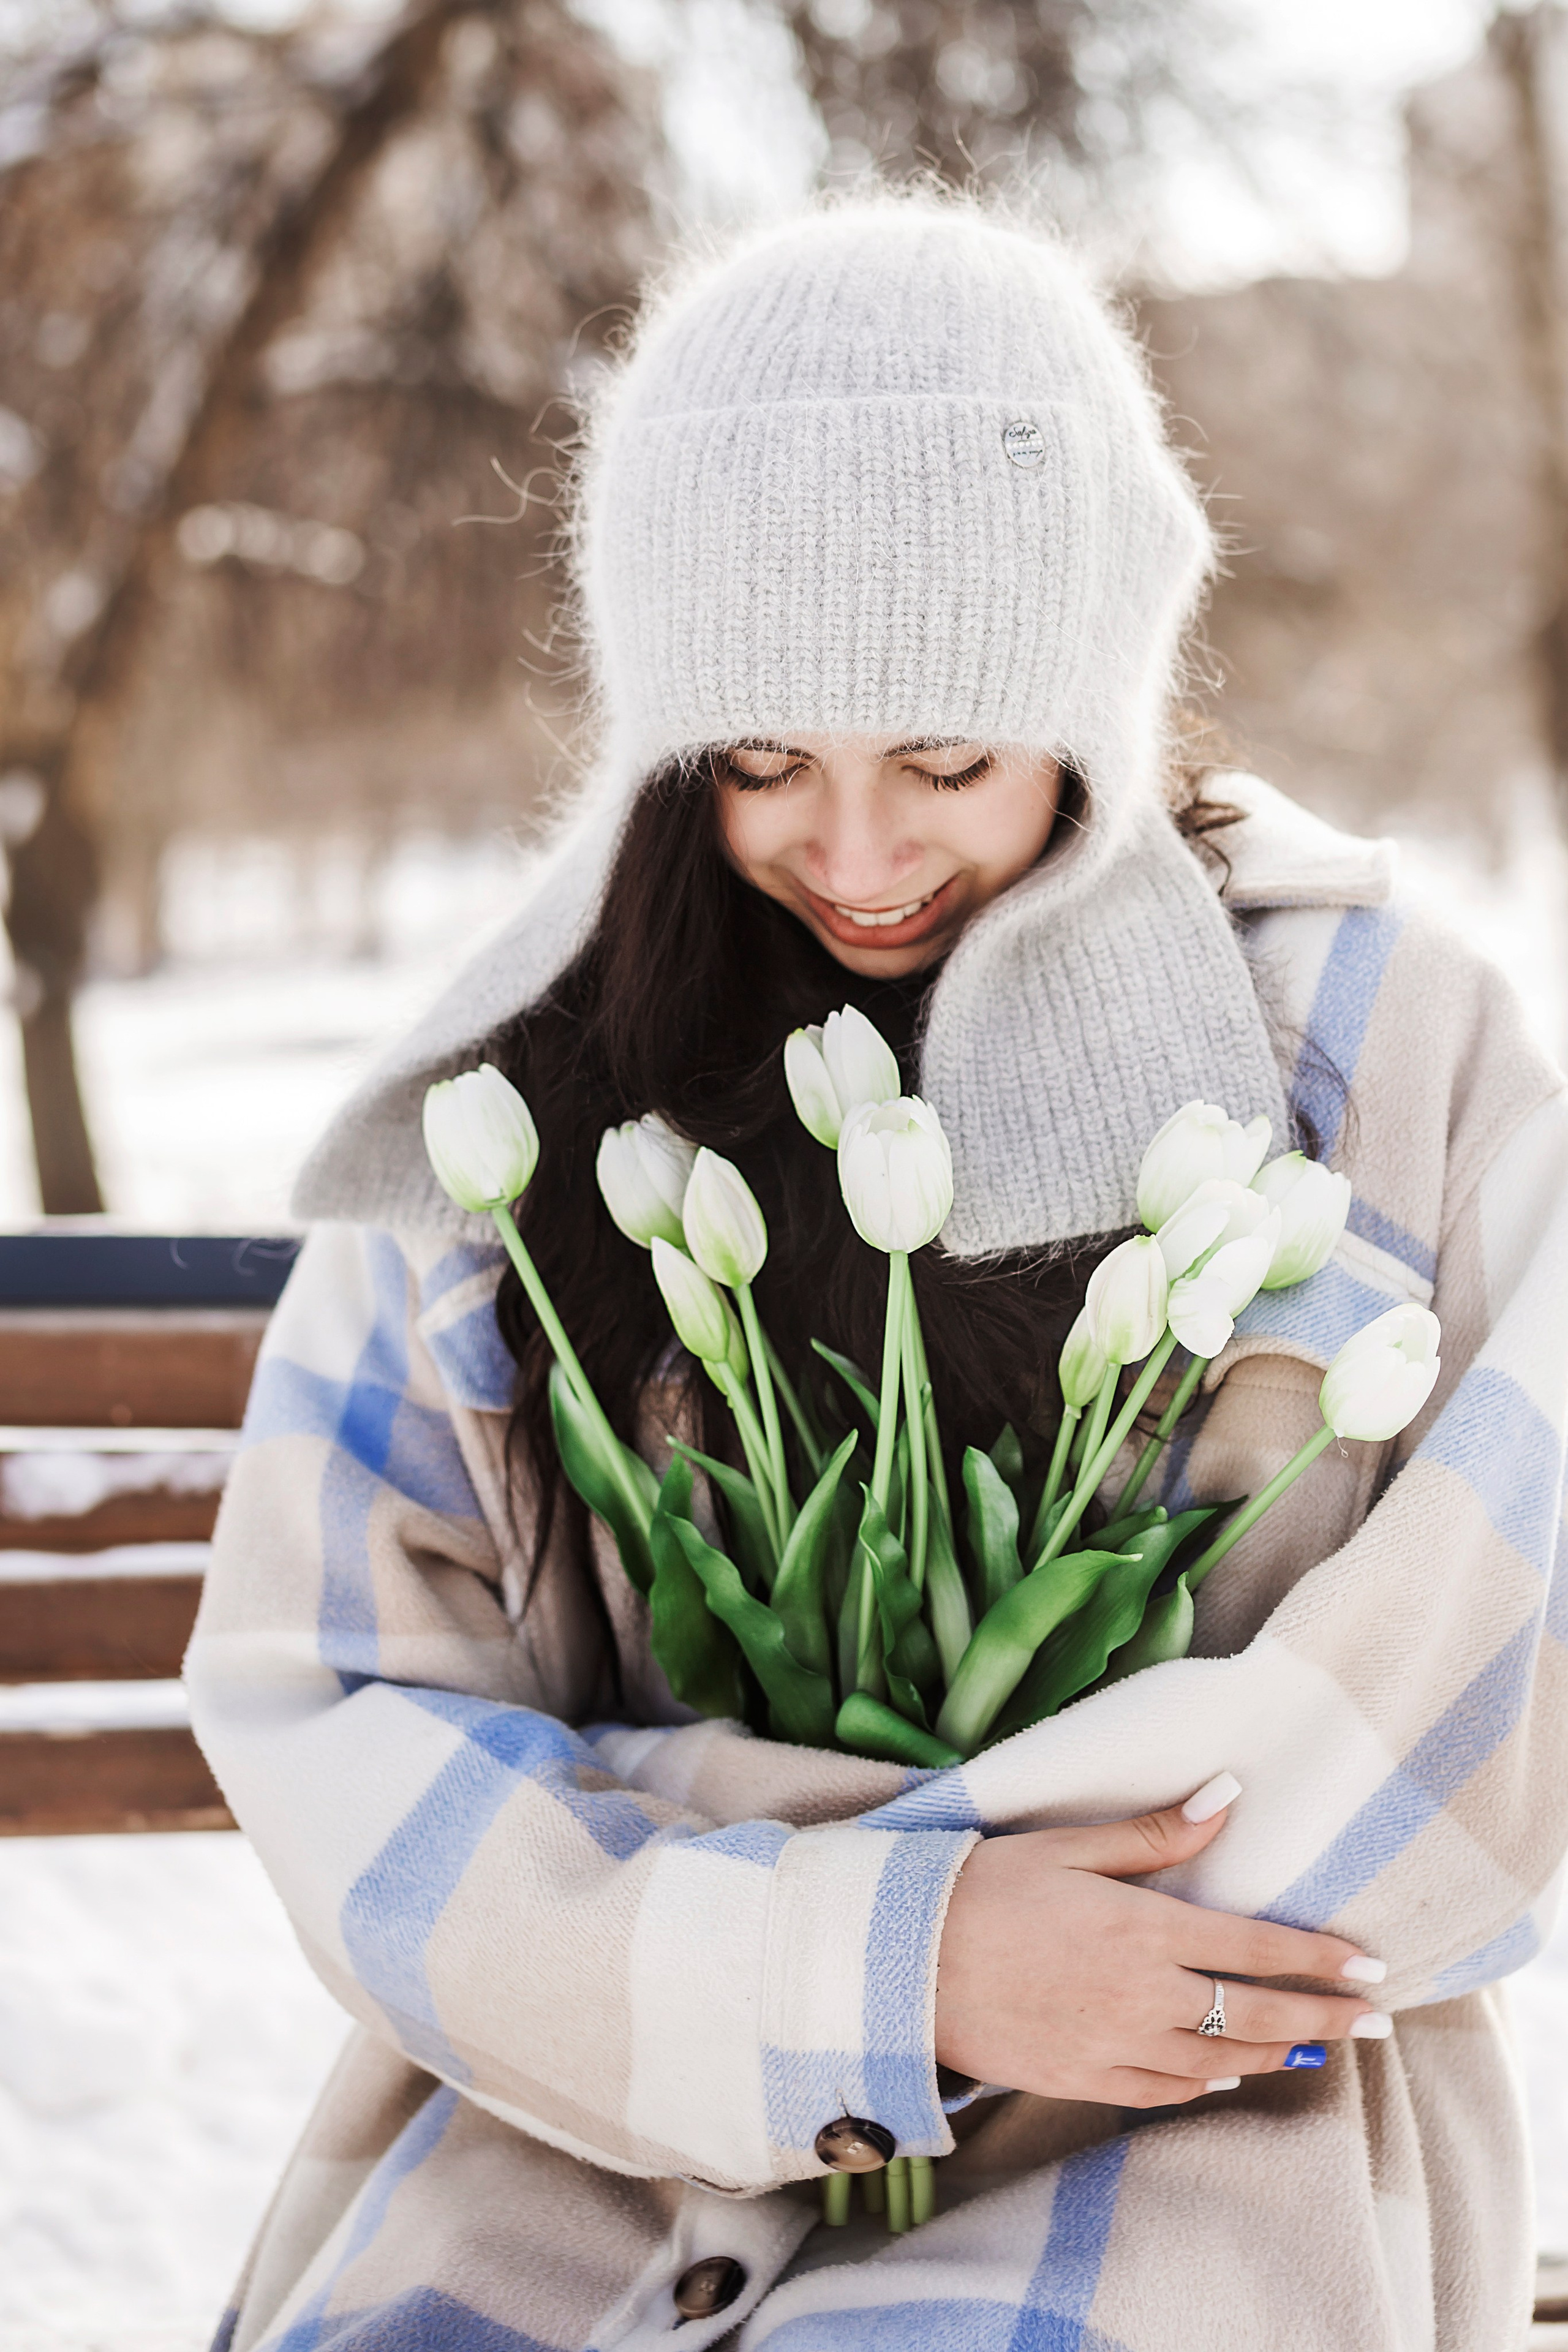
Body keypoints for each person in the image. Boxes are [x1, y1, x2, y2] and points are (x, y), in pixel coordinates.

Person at [188, 197, 1568, 2352]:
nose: (856, 857)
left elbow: (1488, 1653)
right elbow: (342, 1698)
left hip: (1207, 2115)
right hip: (593, 2126)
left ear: (1094, 701)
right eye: (758, 761)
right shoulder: (533, 1098)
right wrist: (878, 1962)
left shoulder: (1382, 1049)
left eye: (947, 756)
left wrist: (965, 1920)